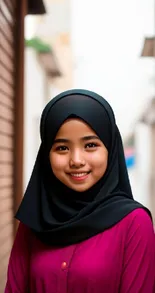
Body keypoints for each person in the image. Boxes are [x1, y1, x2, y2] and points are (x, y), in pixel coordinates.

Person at [5, 89, 155, 293]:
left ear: (110, 149)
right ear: (46, 154)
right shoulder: (35, 220)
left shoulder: (134, 224)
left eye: (90, 145)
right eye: (62, 148)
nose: (76, 160)